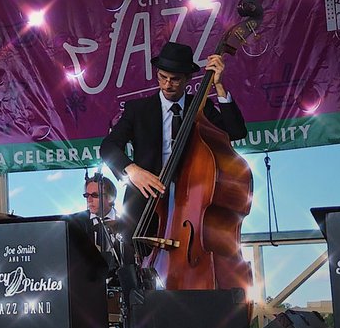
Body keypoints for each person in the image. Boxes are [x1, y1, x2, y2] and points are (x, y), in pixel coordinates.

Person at [98, 41, 247, 227]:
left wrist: (218, 86)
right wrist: (133, 170)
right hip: (146, 207)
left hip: (193, 202)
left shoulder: (201, 107)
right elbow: (108, 147)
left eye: (175, 79)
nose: (167, 85)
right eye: (162, 77)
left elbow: (236, 132)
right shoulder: (138, 110)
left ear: (188, 78)